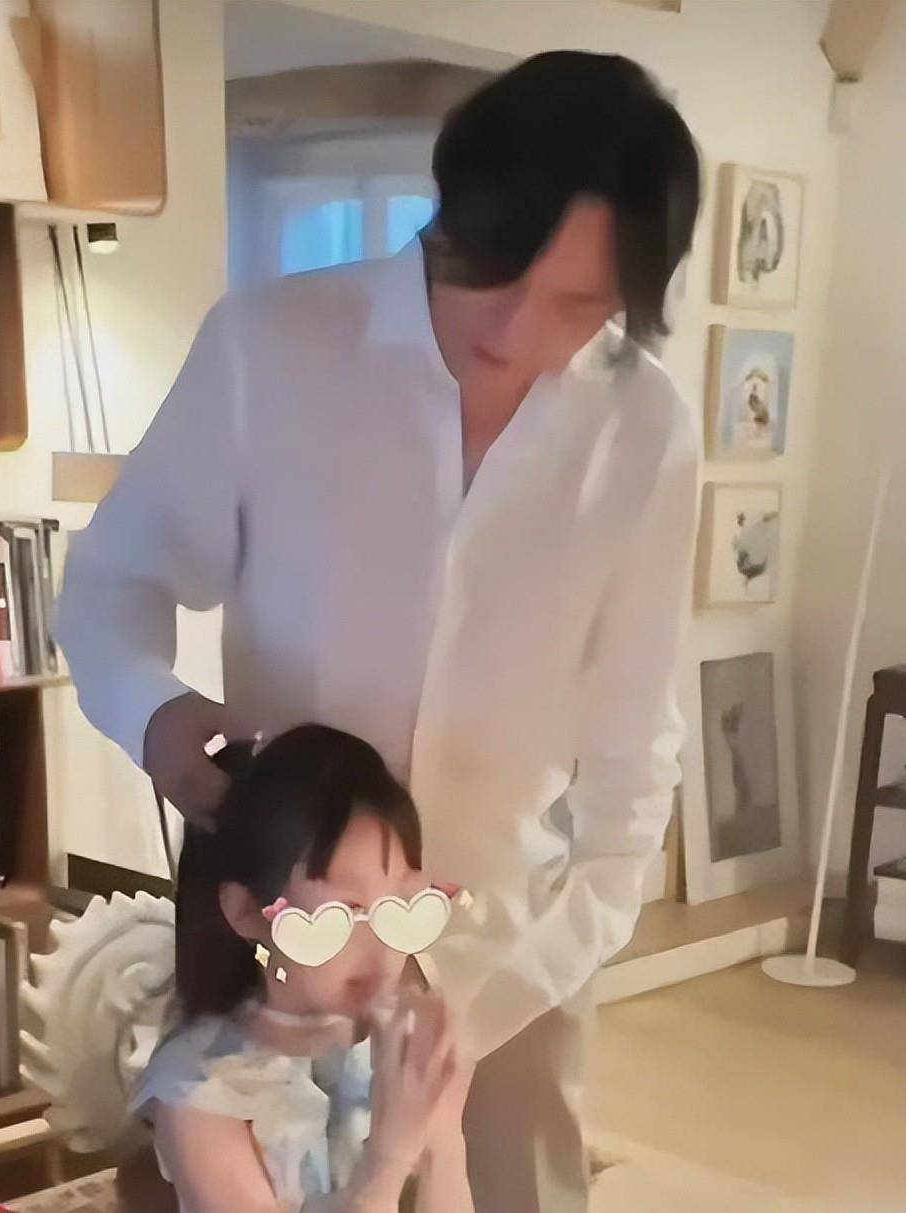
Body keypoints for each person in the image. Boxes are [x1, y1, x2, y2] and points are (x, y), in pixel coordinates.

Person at [57, 49, 702, 1213]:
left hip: (505, 955)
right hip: (279, 950)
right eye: (494, 273)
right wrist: (154, 715)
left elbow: (634, 746)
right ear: (447, 217)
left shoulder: (644, 431)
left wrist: (507, 992)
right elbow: (112, 582)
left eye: (578, 306)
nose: (516, 331)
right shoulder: (271, 349)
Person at [130, 724, 474, 1213]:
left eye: (399, 905)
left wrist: (441, 1138)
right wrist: (388, 1158)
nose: (379, 947)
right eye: (345, 911)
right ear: (248, 911)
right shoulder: (199, 1091)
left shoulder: (394, 1046)